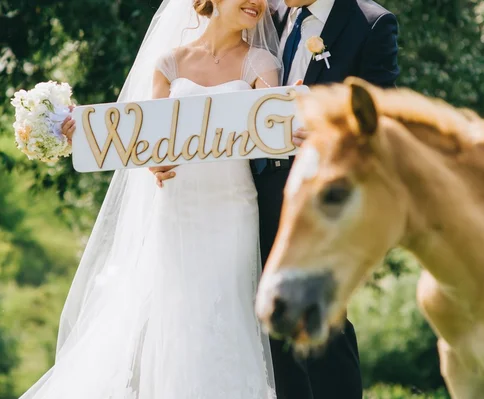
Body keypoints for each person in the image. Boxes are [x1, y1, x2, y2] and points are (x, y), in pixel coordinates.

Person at [25, 0, 283, 398]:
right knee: (177, 317)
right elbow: (142, 139)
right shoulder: (170, 63)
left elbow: (273, 122)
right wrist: (86, 131)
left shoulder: (261, 63)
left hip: (232, 210)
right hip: (177, 210)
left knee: (224, 312)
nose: (257, 2)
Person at [152, 1, 399, 398]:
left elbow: (380, 120)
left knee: (321, 325)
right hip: (256, 200)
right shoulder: (273, 18)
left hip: (317, 206)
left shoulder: (370, 24)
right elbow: (152, 130)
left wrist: (327, 134)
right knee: (272, 335)